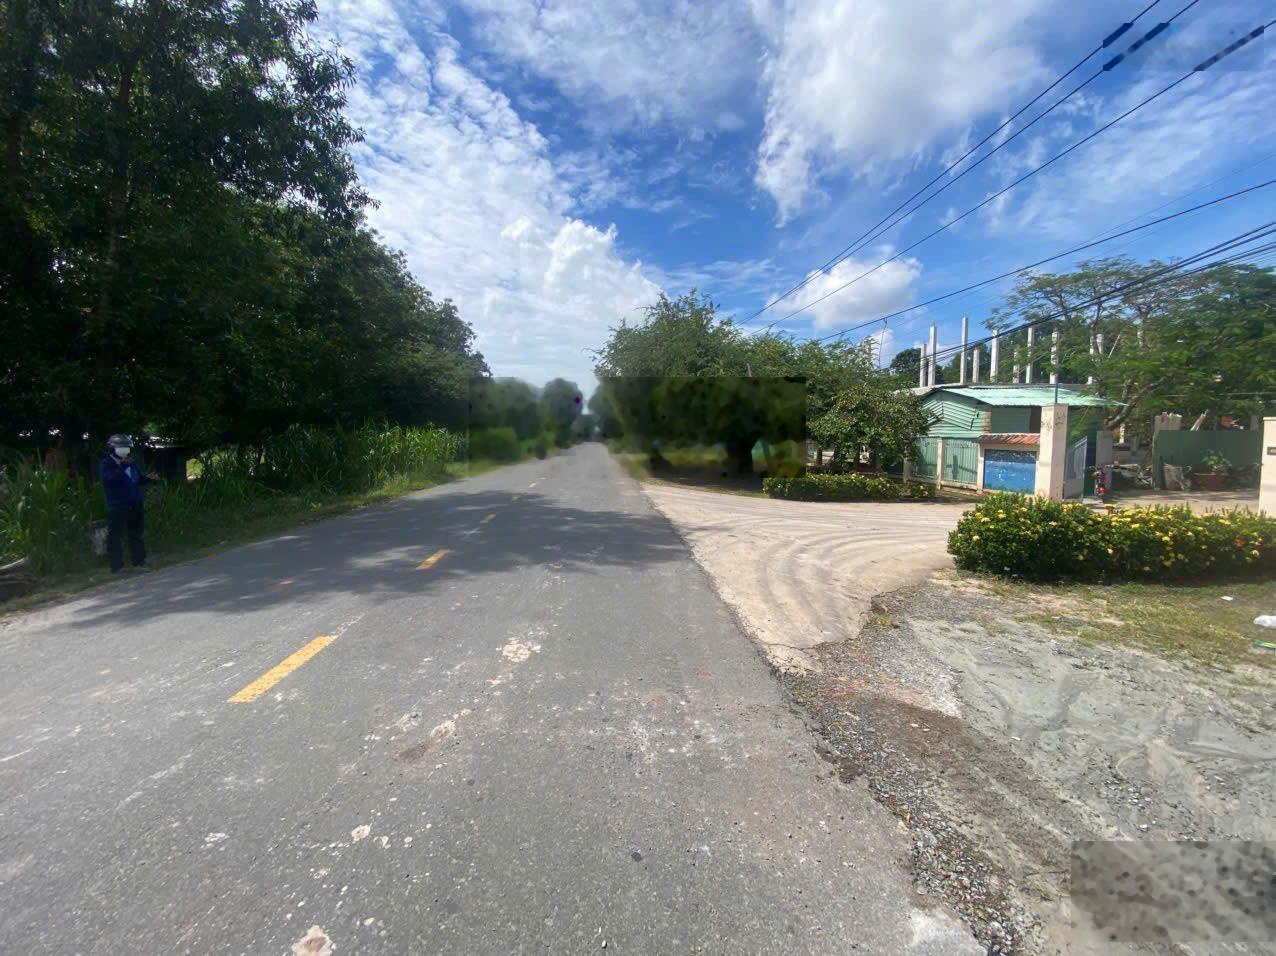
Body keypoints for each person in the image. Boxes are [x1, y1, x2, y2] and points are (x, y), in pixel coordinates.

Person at [99, 435, 158, 574]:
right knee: (115, 536)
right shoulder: (107, 464)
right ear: (112, 449)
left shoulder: (131, 462)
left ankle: (139, 561)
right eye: (121, 447)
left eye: (126, 447)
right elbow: (109, 480)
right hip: (118, 505)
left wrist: (148, 478)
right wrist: (122, 466)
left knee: (136, 533)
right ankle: (117, 566)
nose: (125, 450)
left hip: (135, 502)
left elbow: (137, 479)